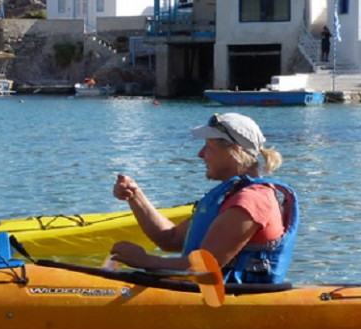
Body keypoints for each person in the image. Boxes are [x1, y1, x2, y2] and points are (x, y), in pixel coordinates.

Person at [110, 113, 298, 283]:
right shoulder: (229, 195)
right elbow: (170, 239)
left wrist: (144, 260)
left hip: (235, 299)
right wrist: (135, 197)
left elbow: (202, 269)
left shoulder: (251, 201)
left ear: (235, 151)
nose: (200, 154)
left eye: (208, 147)